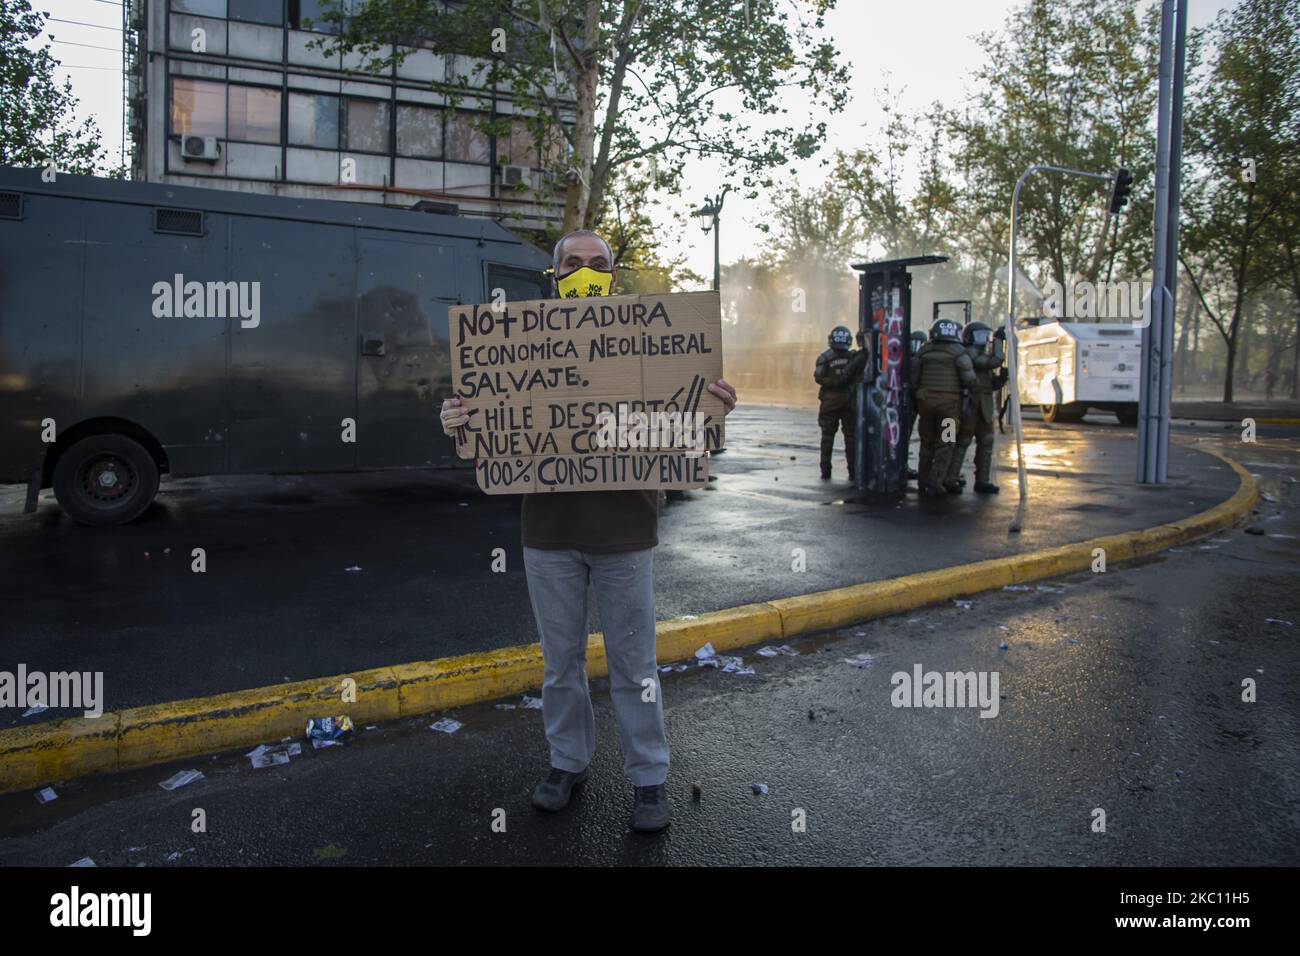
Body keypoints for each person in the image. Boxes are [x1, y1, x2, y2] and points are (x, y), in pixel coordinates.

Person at [440, 229, 737, 834]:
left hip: (626, 533)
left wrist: (714, 413)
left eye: (596, 264)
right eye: (572, 263)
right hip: (547, 534)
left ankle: (649, 775)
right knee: (560, 664)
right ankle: (566, 762)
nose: (584, 270)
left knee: (635, 667)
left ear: (612, 275)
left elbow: (691, 439)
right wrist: (458, 420)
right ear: (555, 273)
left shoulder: (650, 340)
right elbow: (487, 435)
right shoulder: (517, 342)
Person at [909, 318, 975, 497]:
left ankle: (923, 481)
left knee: (926, 442)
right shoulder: (959, 352)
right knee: (946, 443)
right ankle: (936, 483)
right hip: (949, 407)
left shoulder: (923, 351)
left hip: (926, 405)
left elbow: (914, 379)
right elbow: (969, 379)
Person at [944, 322, 1005, 494]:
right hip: (970, 403)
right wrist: (999, 342)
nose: (983, 340)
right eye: (980, 336)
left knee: (986, 441)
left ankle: (982, 481)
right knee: (963, 440)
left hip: (983, 403)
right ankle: (950, 478)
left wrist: (1000, 381)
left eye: (986, 336)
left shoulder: (978, 355)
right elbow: (995, 361)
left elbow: (989, 382)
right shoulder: (970, 354)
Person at [814, 325, 868, 480]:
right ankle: (852, 471)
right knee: (850, 437)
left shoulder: (824, 357)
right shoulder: (854, 358)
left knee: (827, 437)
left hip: (829, 401)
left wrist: (833, 382)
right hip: (849, 400)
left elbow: (818, 377)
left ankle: (825, 470)